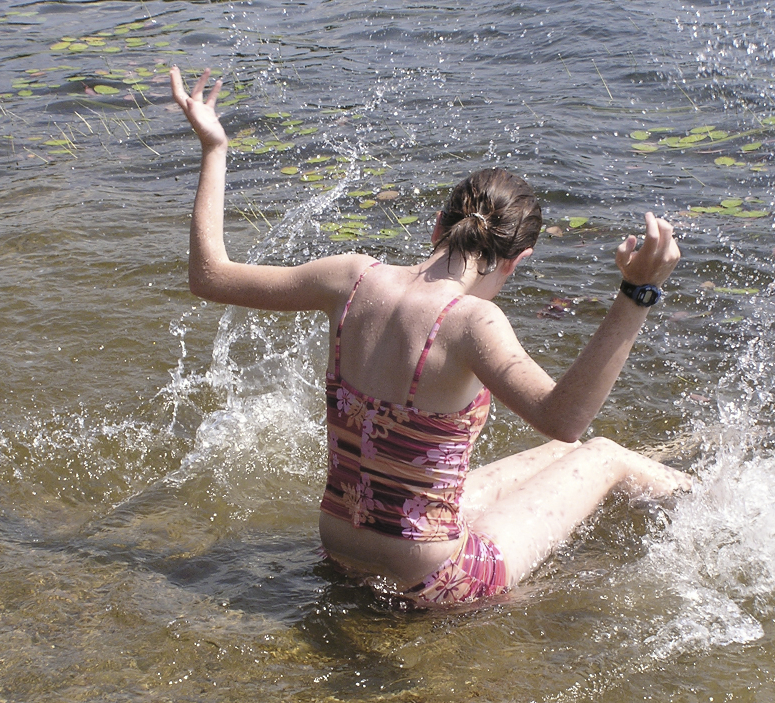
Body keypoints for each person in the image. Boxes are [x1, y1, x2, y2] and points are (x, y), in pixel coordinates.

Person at [170, 66, 690, 606]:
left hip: (341, 550)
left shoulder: (350, 277)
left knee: (565, 457)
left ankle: (668, 471)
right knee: (601, 453)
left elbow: (209, 275)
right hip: (434, 582)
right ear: (517, 262)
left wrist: (214, 147)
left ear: (437, 226)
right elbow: (564, 417)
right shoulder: (472, 322)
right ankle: (718, 510)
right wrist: (637, 294)